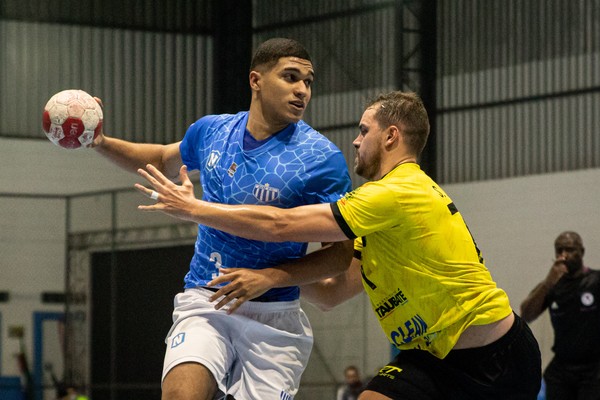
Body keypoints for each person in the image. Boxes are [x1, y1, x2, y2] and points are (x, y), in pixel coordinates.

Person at [135, 90, 542, 399]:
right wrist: (267, 274)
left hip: (497, 359)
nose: (354, 141)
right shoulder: (377, 217)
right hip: (429, 358)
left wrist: (195, 210)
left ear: (391, 136)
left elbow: (280, 224)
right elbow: (331, 293)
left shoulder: (395, 193)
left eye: (364, 131)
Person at [92, 37, 353, 399]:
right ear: (256, 80)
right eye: (290, 77)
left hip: (274, 316)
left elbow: (340, 257)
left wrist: (271, 277)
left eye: (308, 82)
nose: (302, 91)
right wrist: (100, 141)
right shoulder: (212, 131)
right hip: (207, 300)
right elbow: (162, 156)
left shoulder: (321, 159)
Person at [520, 231, 600, 400]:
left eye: (569, 249)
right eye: (559, 250)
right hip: (562, 367)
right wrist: (548, 282)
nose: (563, 255)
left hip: (593, 368)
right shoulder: (552, 286)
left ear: (582, 252)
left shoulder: (595, 281)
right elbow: (526, 314)